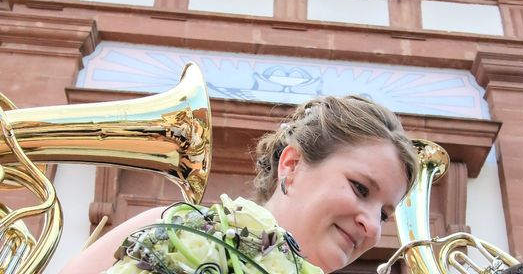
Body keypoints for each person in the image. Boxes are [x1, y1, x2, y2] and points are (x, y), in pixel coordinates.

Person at [60, 95, 419, 274]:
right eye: (360, 188)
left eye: (384, 215)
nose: (372, 227)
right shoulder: (167, 227)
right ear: (291, 166)